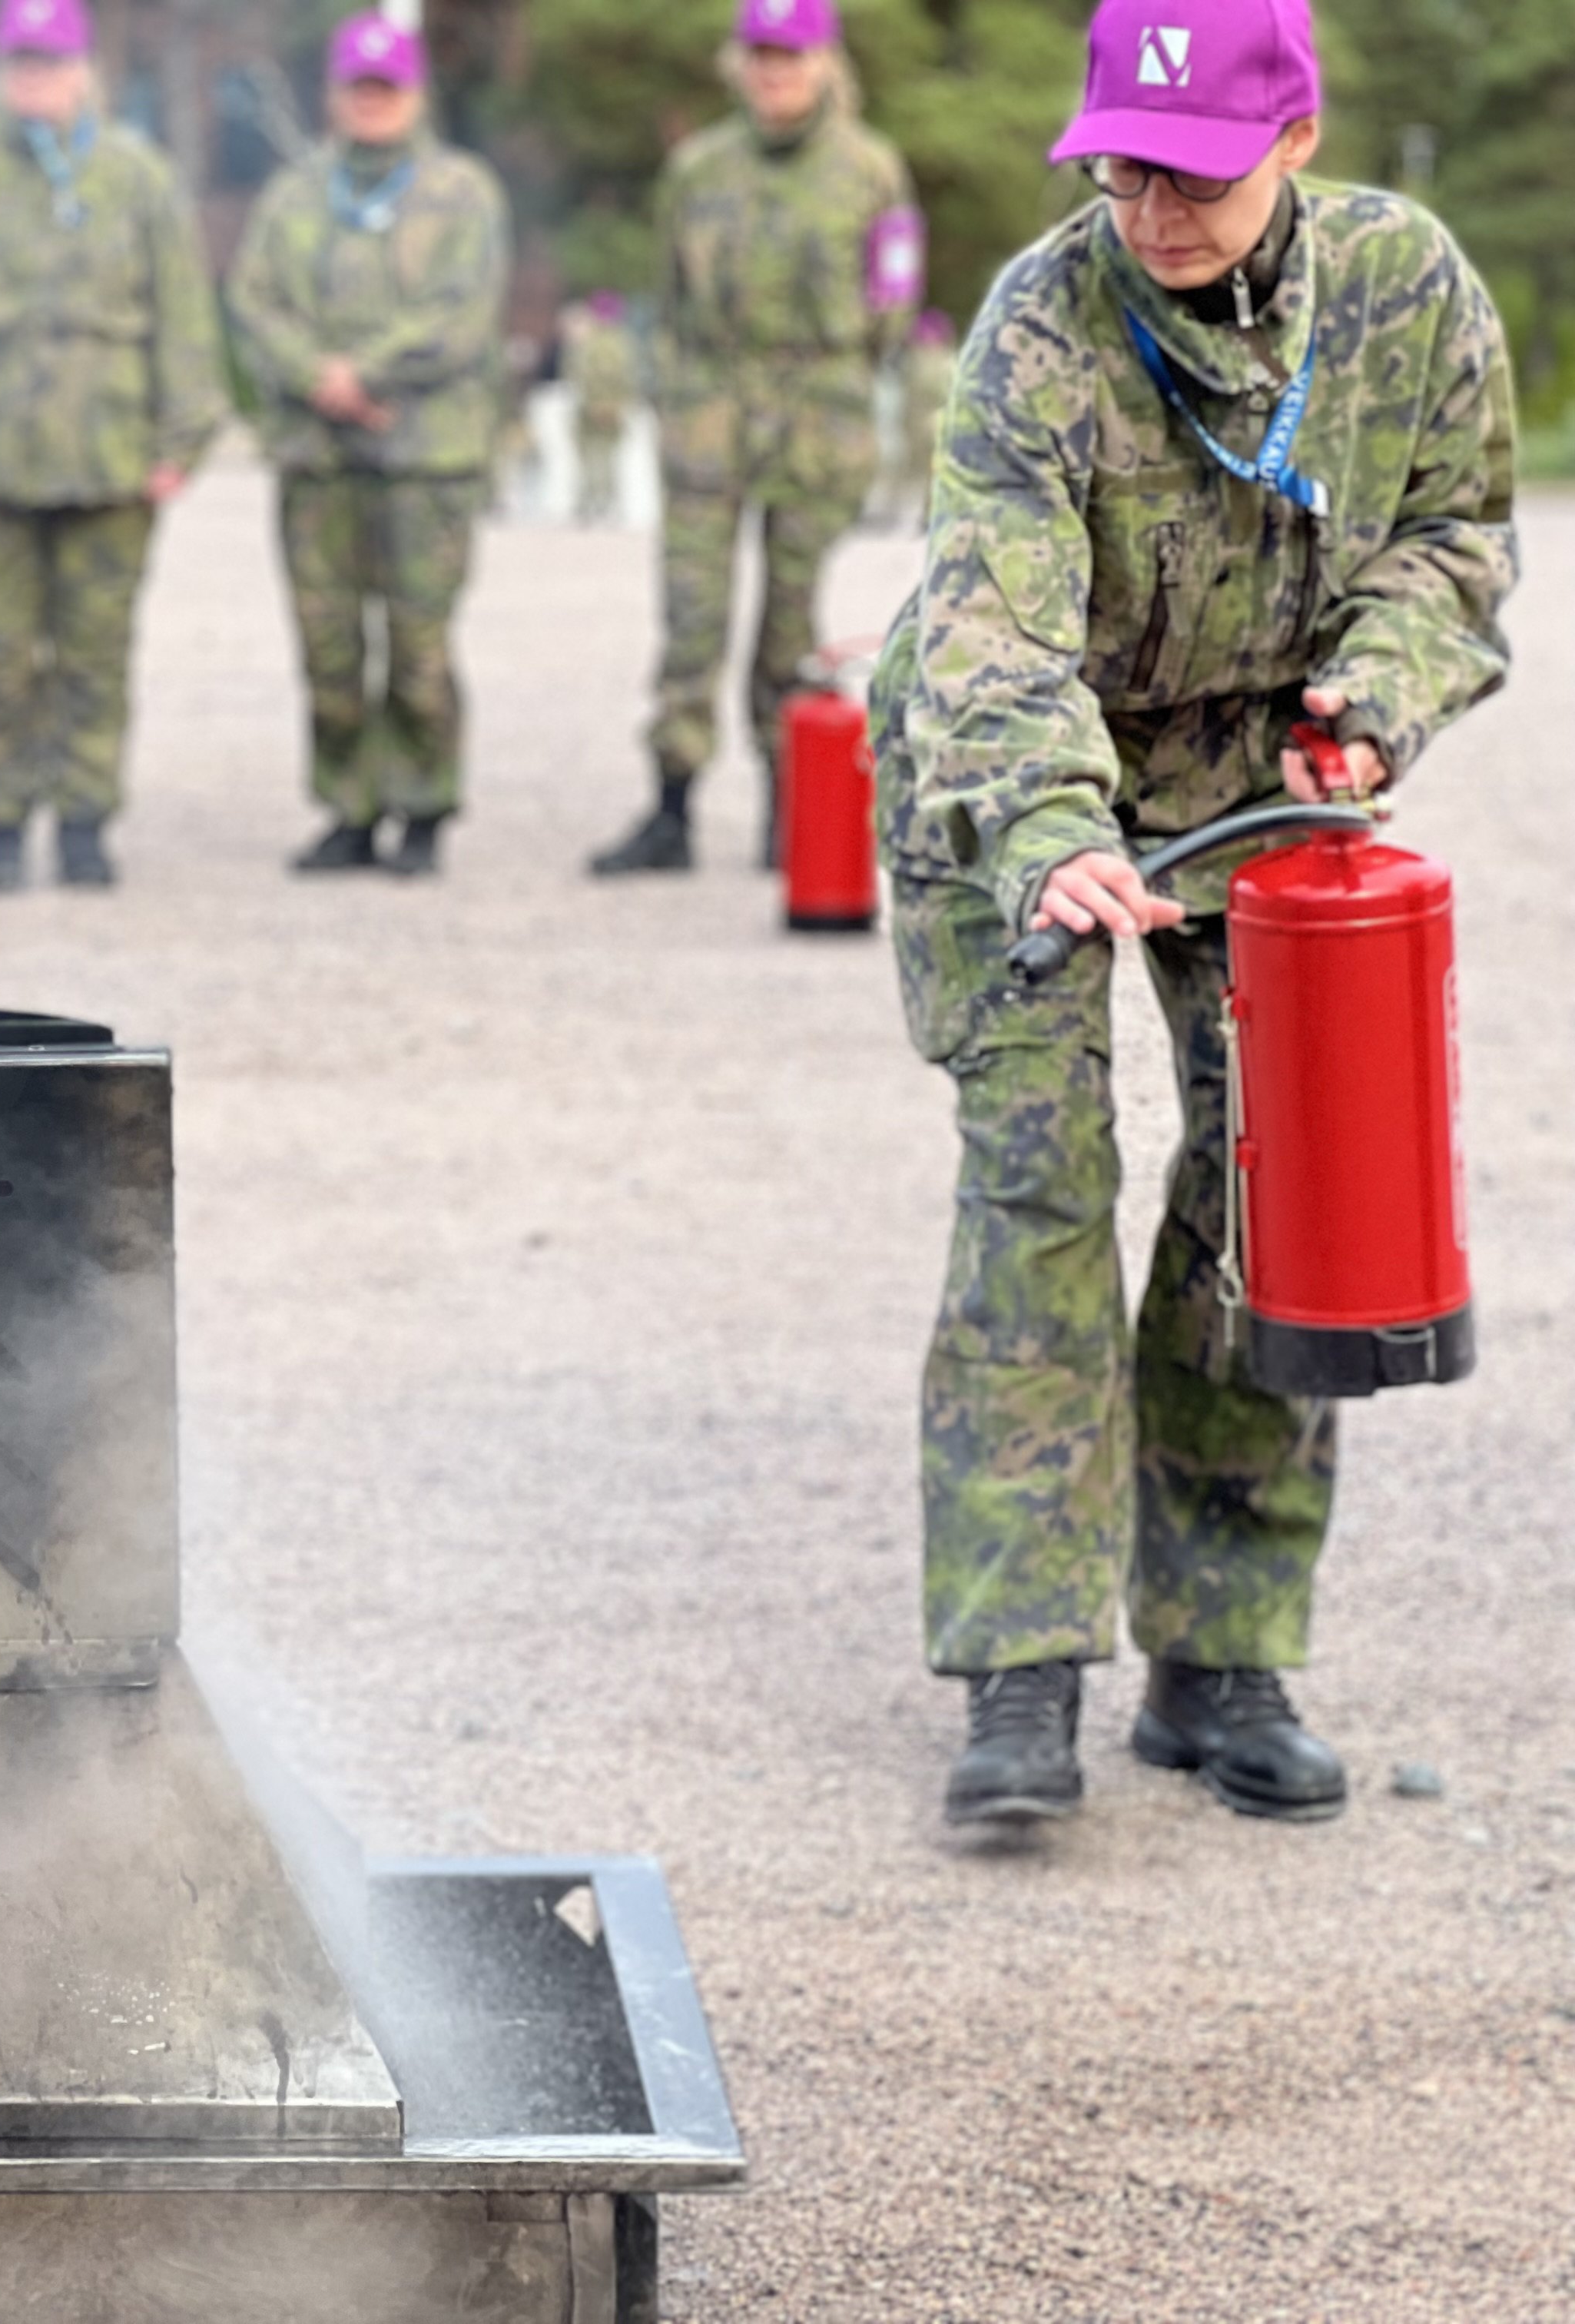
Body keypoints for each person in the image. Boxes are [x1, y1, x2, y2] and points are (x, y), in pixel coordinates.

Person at [870, 0, 1514, 1825]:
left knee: (1271, 1189)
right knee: (1038, 1194)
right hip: (1012, 784)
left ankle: (1220, 1653)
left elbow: (1459, 538)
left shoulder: (1407, 287)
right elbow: (992, 621)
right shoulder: (1039, 323)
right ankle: (1020, 1671)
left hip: (1258, 785)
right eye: (1126, 165)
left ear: (1295, 144)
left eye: (1201, 173)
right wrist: (1052, 826)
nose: (1156, 205)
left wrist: (1377, 694)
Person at [0, 0, 224, 892]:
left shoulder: (137, 179)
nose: (36, 79)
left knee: (96, 655)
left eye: (51, 62)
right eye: (21, 63)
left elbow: (184, 317)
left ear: (84, 71)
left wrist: (181, 439)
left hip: (110, 462)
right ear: (2, 71)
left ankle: (84, 817)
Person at [589, 0, 917, 876]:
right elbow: (668, 293)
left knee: (790, 624)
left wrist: (838, 383)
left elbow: (894, 299)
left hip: (815, 417)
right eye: (762, 57)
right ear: (739, 65)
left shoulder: (869, 170)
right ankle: (671, 804)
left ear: (824, 66)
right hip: (712, 412)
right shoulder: (698, 171)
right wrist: (675, 396)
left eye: (792, 58)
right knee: (691, 614)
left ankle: (790, 809)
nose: (775, 75)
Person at [227, 14, 508, 879]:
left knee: (419, 647)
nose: (372, 104)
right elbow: (252, 304)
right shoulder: (294, 198)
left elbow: (462, 315)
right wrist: (319, 377)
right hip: (320, 458)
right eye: (359, 89)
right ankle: (349, 808)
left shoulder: (461, 194)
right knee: (329, 647)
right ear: (334, 96)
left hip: (425, 459)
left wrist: (365, 375)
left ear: (415, 94)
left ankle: (423, 808)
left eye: (387, 89)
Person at [565, 290, 637, 525]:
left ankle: (591, 501)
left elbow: (579, 373)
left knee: (589, 457)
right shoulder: (623, 342)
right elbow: (629, 377)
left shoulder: (590, 342)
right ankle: (607, 502)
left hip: (592, 406)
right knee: (608, 457)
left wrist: (593, 401)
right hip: (614, 407)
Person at [890, 306, 955, 527]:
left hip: (917, 425)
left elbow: (905, 397)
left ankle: (923, 512)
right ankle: (931, 513)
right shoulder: (947, 361)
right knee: (935, 472)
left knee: (919, 472)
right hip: (937, 424)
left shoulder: (912, 363)